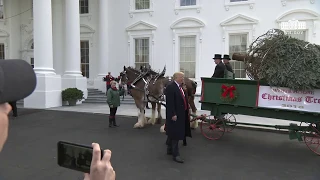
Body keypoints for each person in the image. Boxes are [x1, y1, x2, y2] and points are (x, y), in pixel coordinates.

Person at [164, 72, 191, 163]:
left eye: (183, 77)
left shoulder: (180, 87)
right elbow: (170, 103)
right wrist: (173, 114)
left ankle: (169, 149)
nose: (183, 79)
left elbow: (183, 99)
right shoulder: (171, 87)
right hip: (175, 114)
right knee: (175, 134)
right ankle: (176, 155)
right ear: (176, 78)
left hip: (181, 113)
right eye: (181, 77)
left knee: (174, 132)